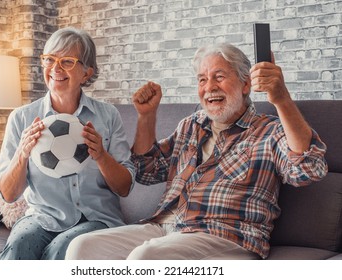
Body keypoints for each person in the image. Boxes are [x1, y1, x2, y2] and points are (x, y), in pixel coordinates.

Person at [65, 42, 327, 260]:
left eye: (219, 77)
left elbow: (308, 169)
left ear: (246, 85)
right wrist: (146, 116)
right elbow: (146, 170)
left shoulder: (269, 130)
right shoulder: (191, 125)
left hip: (226, 235)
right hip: (165, 228)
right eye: (202, 79)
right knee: (81, 248)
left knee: (147, 258)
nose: (209, 86)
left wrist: (280, 97)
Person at [0, 27, 135, 260]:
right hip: (42, 217)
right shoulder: (21, 118)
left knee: (63, 248)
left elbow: (125, 187)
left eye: (67, 61)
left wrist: (101, 155)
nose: (55, 68)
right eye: (49, 59)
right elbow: (8, 195)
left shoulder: (108, 116)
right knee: (19, 244)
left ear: (87, 72)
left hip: (97, 219)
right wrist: (22, 153)